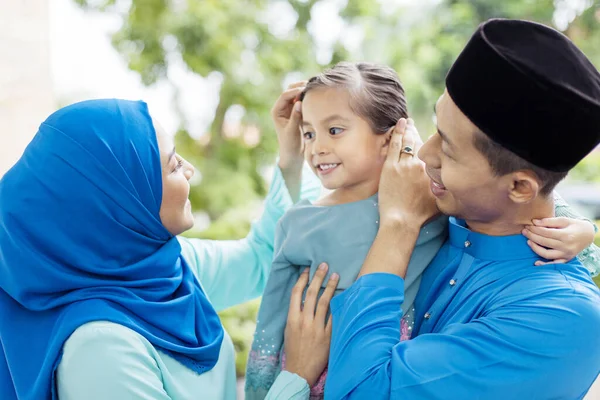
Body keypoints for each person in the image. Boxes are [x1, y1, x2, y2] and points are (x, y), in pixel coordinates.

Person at [246, 61, 600, 399]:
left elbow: (363, 392)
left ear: (521, 188)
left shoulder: (561, 318)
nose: (424, 154)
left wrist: (398, 225)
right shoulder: (456, 209)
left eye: (448, 146)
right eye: (433, 129)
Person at [0, 98, 333, 400]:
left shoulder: (161, 268)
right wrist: (298, 376)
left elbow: (260, 260)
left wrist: (292, 158)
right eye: (173, 165)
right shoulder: (101, 349)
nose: (190, 170)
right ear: (122, 201)